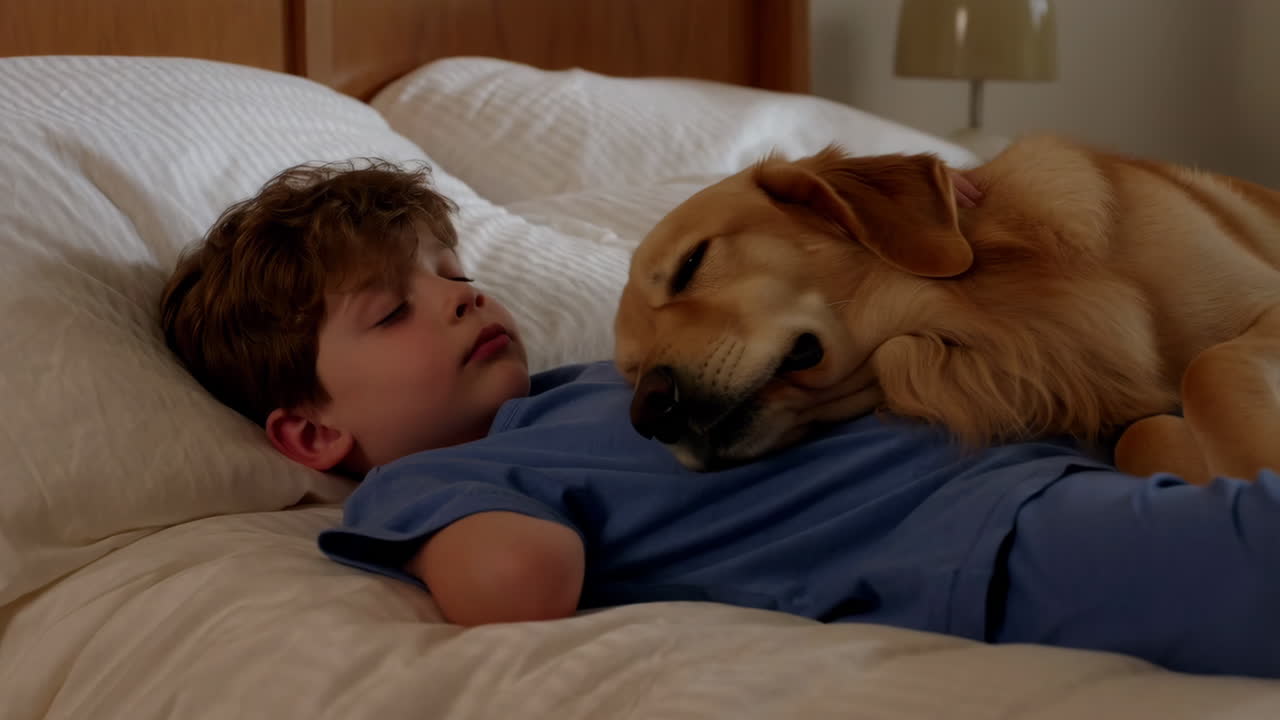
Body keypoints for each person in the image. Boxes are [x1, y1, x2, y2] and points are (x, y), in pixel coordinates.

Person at [160, 158, 1280, 679]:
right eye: (394, 310)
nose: (461, 298)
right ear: (313, 437)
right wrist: (468, 540)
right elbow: (517, 585)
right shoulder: (427, 485)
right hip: (976, 552)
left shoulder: (587, 384)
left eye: (455, 273)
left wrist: (916, 205)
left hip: (1044, 466)